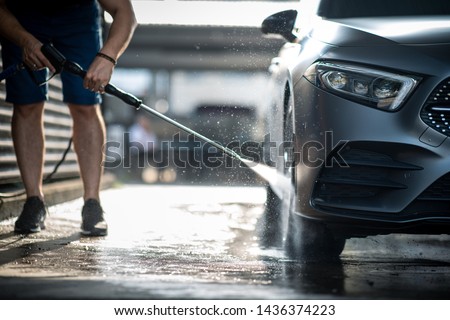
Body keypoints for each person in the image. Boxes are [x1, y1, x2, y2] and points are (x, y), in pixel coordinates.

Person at [0, 0, 137, 236]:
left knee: (86, 105)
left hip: (78, 20)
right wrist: (24, 40)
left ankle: (92, 203)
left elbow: (126, 13)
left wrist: (108, 57)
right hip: (20, 17)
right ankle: (34, 200)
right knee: (26, 104)